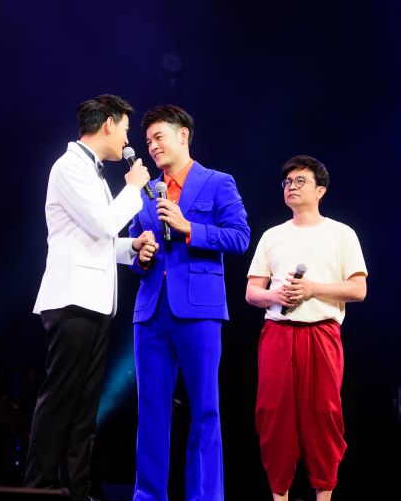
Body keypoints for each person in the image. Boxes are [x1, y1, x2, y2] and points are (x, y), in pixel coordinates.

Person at [27, 94, 154, 501]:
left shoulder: (92, 172)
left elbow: (95, 240)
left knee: (84, 405)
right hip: (72, 301)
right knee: (61, 399)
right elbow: (103, 224)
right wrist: (133, 189)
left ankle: (75, 489)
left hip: (95, 302)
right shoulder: (69, 167)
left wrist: (132, 247)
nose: (127, 140)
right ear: (108, 124)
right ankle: (39, 488)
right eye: (126, 129)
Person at [128, 104, 250, 501]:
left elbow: (239, 237)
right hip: (151, 312)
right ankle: (148, 496)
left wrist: (189, 228)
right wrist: (140, 254)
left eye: (158, 137)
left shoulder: (217, 182)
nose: (152, 146)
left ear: (183, 135)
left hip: (199, 310)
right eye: (148, 141)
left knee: (205, 409)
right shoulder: (145, 192)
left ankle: (205, 496)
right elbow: (133, 250)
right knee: (151, 411)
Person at [245, 155, 367, 501]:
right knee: (273, 415)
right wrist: (274, 294)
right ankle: (279, 496)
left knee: (323, 415)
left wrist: (312, 289)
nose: (292, 187)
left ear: (320, 190)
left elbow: (358, 289)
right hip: (278, 332)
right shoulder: (272, 235)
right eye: (287, 182)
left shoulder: (341, 234)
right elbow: (252, 292)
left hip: (322, 333)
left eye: (300, 181)